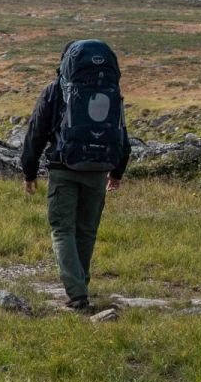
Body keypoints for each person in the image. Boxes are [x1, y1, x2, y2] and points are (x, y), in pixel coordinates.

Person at [22, 40, 130, 310]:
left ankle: (77, 293)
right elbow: (121, 134)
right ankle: (80, 286)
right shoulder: (111, 91)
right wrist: (116, 172)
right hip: (99, 169)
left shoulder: (55, 90)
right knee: (86, 231)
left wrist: (29, 171)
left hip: (64, 169)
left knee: (62, 231)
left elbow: (35, 133)